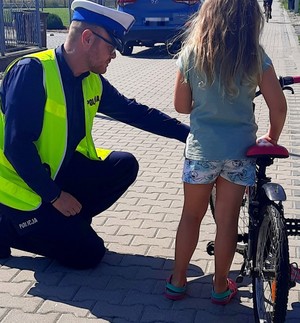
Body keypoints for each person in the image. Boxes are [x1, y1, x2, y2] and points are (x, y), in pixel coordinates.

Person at [0, 0, 189, 269]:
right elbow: (16, 147)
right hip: (21, 186)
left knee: (124, 165)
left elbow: (134, 112)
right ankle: (9, 227)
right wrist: (55, 196)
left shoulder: (91, 79)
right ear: (87, 38)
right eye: (111, 47)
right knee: (89, 254)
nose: (114, 56)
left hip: (56, 171)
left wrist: (188, 135)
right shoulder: (32, 72)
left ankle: (65, 223)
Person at [165, 0, 287, 304]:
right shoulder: (255, 57)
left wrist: (203, 106)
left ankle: (178, 281)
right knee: (228, 220)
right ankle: (220, 286)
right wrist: (271, 136)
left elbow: (180, 106)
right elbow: (279, 106)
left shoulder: (192, 53)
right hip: (239, 152)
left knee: (190, 217)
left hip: (202, 151)